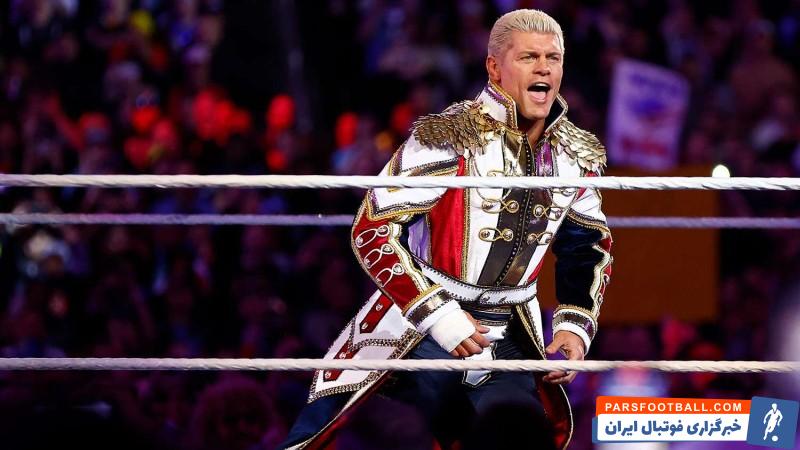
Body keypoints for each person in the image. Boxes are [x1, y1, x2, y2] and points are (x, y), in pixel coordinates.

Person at [279, 9, 613, 450]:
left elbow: (587, 246)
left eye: (553, 58)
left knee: (521, 438)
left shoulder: (575, 155)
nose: (543, 68)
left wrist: (574, 327)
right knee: (375, 436)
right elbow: (372, 230)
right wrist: (439, 315)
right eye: (528, 57)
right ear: (494, 67)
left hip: (513, 332)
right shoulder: (447, 137)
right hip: (415, 328)